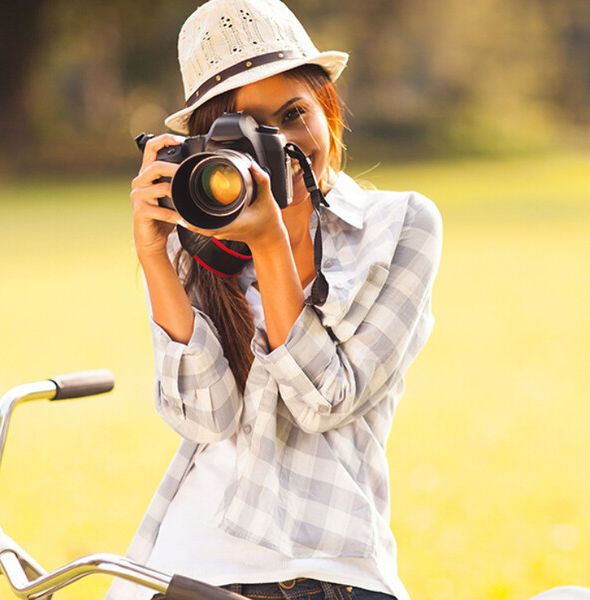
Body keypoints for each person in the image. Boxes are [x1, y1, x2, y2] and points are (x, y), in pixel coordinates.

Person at [112, 1, 441, 599]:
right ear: (210, 144)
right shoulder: (196, 240)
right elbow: (203, 418)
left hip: (334, 568)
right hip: (192, 568)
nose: (281, 145)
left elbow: (325, 401)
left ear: (329, 110)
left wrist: (270, 243)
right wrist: (156, 256)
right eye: (248, 130)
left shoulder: (400, 227)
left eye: (293, 115)